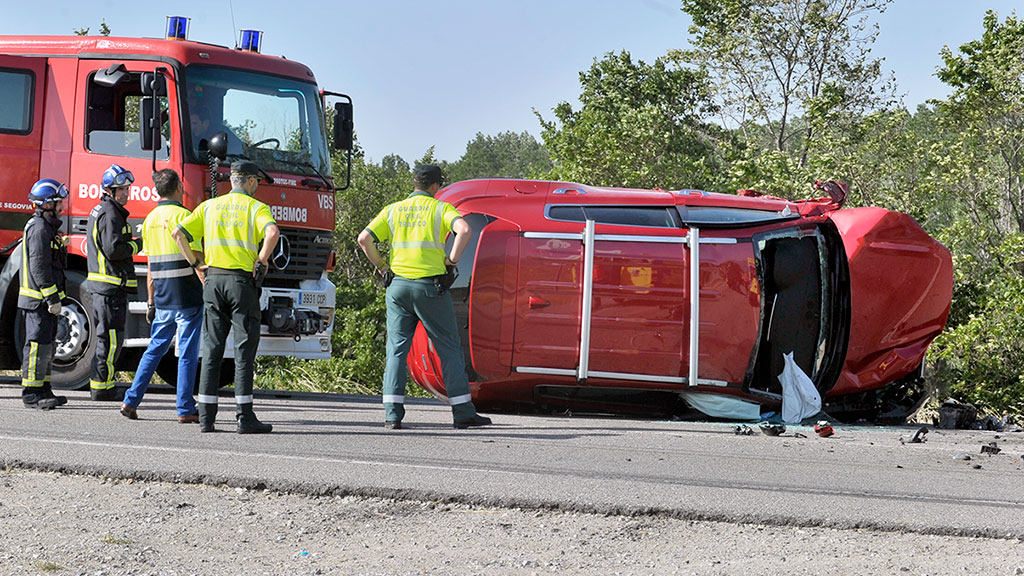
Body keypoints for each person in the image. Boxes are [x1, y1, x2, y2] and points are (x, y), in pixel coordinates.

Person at [357, 164, 492, 430]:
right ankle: (463, 411)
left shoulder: (394, 210)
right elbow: (464, 230)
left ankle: (392, 414)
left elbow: (363, 239)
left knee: (396, 349)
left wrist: (383, 267)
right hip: (430, 288)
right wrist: (452, 262)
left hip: (397, 286)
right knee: (449, 348)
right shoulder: (440, 209)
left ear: (415, 183)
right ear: (435, 186)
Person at [172, 160, 279, 434]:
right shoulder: (256, 208)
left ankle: (207, 418)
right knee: (243, 351)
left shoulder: (210, 206)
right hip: (241, 283)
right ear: (252, 182)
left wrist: (195, 264)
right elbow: (272, 232)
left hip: (213, 280)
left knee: (212, 349)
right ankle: (245, 417)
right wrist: (262, 260)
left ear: (231, 180)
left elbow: (178, 233)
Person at [119, 169, 204, 422]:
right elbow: (197, 260)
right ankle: (185, 408)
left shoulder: (150, 219)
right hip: (187, 295)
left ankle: (131, 401)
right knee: (187, 352)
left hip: (164, 297)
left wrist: (150, 301)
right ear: (179, 186)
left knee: (155, 348)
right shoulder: (185, 217)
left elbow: (150, 268)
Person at [86, 164, 143, 401]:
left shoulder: (104, 210)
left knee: (106, 337)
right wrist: (137, 244)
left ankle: (102, 383)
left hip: (104, 288)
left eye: (127, 188)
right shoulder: (110, 213)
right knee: (109, 338)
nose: (126, 193)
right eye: (121, 189)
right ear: (109, 190)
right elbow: (113, 249)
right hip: (109, 288)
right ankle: (103, 387)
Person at [18, 179, 70, 410]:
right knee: (37, 345)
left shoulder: (47, 227)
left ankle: (44, 388)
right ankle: (31, 392)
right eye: (59, 202)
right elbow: (39, 267)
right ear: (47, 204)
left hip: (45, 301)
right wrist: (51, 298)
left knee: (47, 345)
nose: (62, 206)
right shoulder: (39, 229)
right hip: (37, 301)